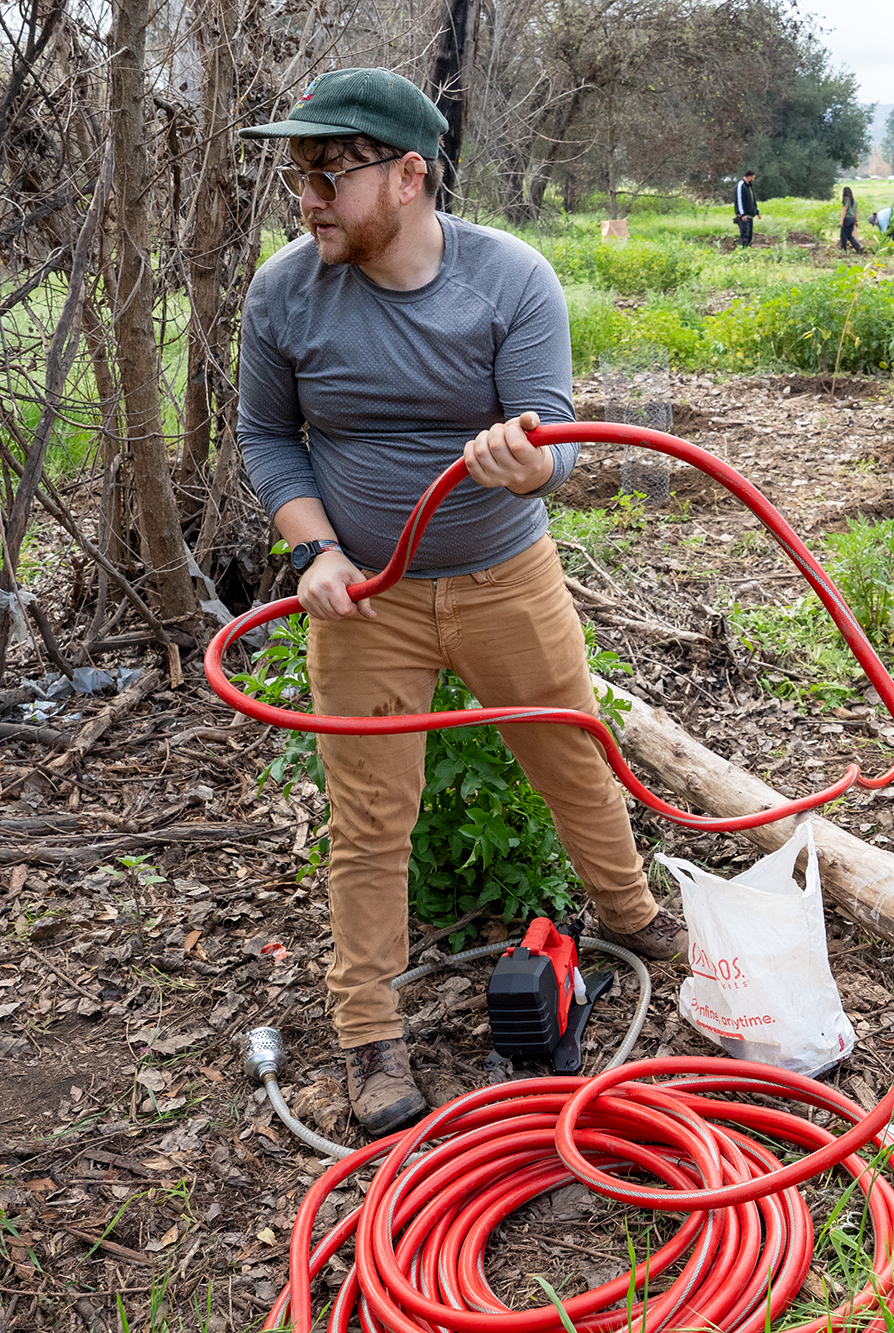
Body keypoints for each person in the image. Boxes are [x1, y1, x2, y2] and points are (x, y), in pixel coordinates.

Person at [235, 68, 684, 1137]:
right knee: (369, 818)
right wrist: (316, 552)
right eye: (296, 173)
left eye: (326, 173)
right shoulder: (283, 291)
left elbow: (558, 438)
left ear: (407, 176)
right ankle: (368, 1038)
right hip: (363, 601)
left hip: (503, 580)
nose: (305, 197)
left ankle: (631, 914)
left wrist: (525, 464)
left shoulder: (509, 279)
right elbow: (267, 436)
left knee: (571, 755)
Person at [734, 170, 761, 248]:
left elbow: (752, 200)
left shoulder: (749, 186)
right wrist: (742, 214)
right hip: (744, 216)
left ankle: (747, 250)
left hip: (749, 215)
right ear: (749, 177)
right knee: (744, 235)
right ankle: (743, 251)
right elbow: (739, 201)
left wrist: (756, 212)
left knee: (749, 235)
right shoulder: (740, 185)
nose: (753, 180)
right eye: (753, 178)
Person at [838, 185, 864, 253]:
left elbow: (844, 210)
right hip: (852, 219)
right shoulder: (854, 200)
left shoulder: (846, 199)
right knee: (849, 235)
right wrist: (856, 220)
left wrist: (841, 221)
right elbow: (856, 211)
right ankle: (858, 247)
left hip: (847, 219)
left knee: (843, 235)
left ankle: (844, 250)